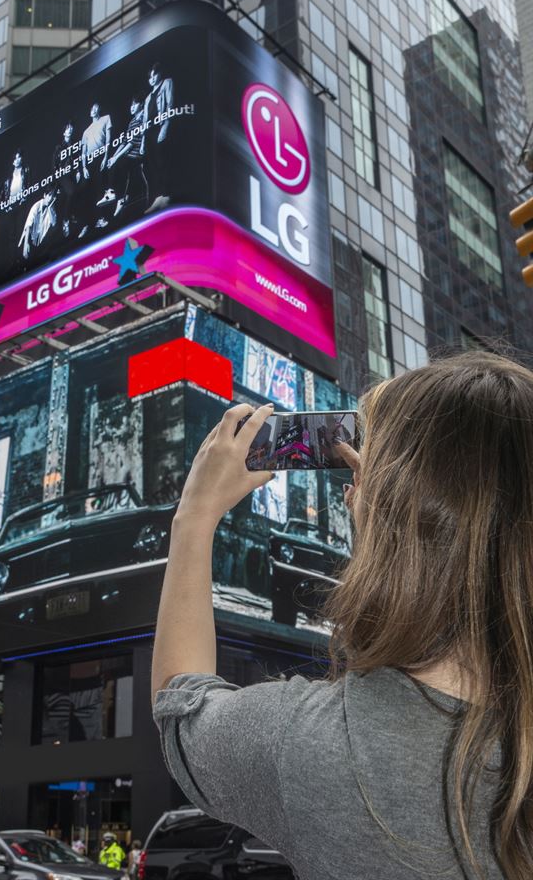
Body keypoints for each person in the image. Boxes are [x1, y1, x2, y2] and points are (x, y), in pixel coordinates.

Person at [152, 351, 533, 880]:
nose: (350, 485)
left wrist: (193, 517)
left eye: (368, 468)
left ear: (394, 515)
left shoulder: (313, 747)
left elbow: (180, 703)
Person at [105, 93, 149, 217]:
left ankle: (117, 196)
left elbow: (131, 143)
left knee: (120, 163)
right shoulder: (132, 122)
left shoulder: (142, 118)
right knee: (114, 164)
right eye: (131, 105)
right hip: (130, 155)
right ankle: (119, 197)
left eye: (135, 104)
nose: (132, 107)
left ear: (141, 104)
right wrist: (113, 157)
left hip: (138, 155)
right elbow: (124, 141)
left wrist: (116, 158)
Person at [141, 62, 173, 214]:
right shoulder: (148, 98)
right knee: (151, 165)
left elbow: (170, 106)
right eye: (150, 77)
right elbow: (144, 121)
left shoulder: (167, 83)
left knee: (162, 161)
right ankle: (158, 196)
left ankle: (166, 195)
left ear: (160, 73)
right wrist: (142, 142)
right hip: (149, 132)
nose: (152, 79)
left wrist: (165, 127)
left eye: (155, 75)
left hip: (160, 128)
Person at [80, 102, 112, 236]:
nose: (93, 110)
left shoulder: (106, 119)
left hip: (101, 157)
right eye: (91, 108)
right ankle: (89, 222)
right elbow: (83, 152)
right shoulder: (86, 131)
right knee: (89, 192)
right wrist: (84, 168)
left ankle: (102, 218)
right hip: (90, 163)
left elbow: (108, 139)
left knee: (101, 189)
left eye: (96, 107)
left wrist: (105, 157)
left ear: (99, 109)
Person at [18, 188, 59, 266]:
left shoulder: (51, 208)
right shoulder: (36, 206)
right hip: (29, 240)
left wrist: (50, 209)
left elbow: (54, 224)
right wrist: (26, 244)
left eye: (52, 196)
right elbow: (28, 225)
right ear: (44, 195)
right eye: (49, 195)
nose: (50, 198)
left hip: (40, 244)